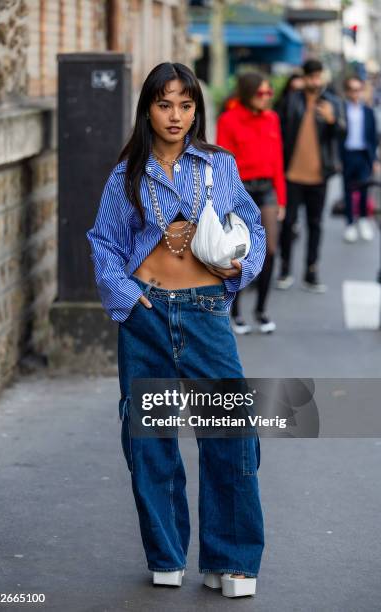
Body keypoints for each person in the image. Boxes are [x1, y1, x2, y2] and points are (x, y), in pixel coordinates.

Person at [86, 62, 266, 597]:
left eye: (185, 105)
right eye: (165, 104)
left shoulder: (218, 165)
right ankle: (166, 555)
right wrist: (127, 299)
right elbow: (104, 242)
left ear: (196, 110)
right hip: (146, 317)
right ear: (147, 109)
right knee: (151, 442)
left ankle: (231, 561)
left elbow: (251, 225)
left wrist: (240, 268)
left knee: (232, 436)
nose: (175, 116)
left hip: (206, 313)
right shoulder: (127, 177)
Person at [216, 72, 286, 334]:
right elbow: (224, 163)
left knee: (269, 249)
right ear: (247, 93)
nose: (267, 98)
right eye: (261, 93)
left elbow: (278, 160)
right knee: (240, 251)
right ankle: (235, 311)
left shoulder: (272, 119)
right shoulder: (229, 120)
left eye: (269, 93)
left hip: (267, 188)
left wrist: (282, 198)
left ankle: (261, 310)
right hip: (241, 189)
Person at [276, 58, 346, 293]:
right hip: (292, 174)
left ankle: (311, 272)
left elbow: (342, 135)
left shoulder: (332, 103)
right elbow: (279, 131)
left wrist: (332, 120)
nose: (316, 81)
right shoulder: (291, 100)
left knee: (315, 224)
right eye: (311, 77)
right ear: (304, 78)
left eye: (319, 76)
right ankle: (285, 269)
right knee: (288, 223)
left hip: (319, 175)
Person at [339, 75, 378, 243]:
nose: (356, 93)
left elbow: (373, 136)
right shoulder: (342, 110)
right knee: (348, 190)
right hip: (347, 155)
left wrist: (375, 159)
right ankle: (350, 223)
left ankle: (363, 219)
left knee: (364, 189)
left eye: (358, 90)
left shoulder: (368, 111)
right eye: (353, 90)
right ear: (347, 92)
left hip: (363, 155)